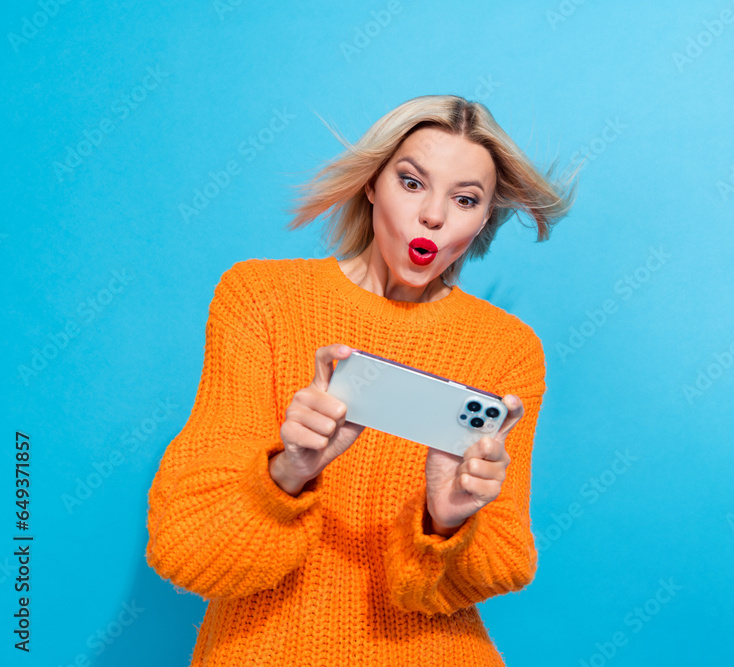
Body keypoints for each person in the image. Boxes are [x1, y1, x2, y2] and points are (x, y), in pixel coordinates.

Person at [144, 94, 579, 665]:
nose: (434, 217)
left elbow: (504, 560)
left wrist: (446, 518)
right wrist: (289, 470)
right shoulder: (260, 300)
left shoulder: (506, 347)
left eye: (465, 199)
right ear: (372, 183)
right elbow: (187, 550)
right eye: (412, 182)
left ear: (483, 219)